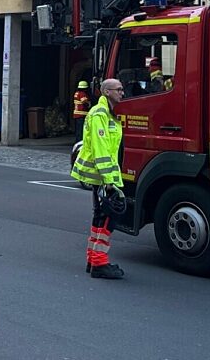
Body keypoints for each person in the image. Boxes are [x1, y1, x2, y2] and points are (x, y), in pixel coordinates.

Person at [71, 78, 127, 279]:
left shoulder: (106, 113)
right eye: (118, 89)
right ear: (107, 92)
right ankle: (99, 263)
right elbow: (101, 149)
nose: (122, 93)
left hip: (102, 175)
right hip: (103, 176)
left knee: (100, 217)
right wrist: (109, 181)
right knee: (107, 219)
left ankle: (94, 259)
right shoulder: (100, 114)